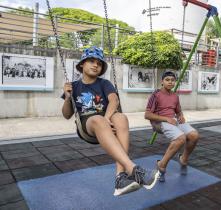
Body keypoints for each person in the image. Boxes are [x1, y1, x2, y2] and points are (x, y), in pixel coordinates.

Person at [62, 46, 158, 196]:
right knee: (98, 119)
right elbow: (66, 115)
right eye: (91, 61)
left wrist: (107, 118)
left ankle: (120, 178)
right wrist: (68, 97)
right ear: (82, 64)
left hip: (107, 117)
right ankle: (132, 169)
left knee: (120, 117)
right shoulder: (73, 86)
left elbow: (114, 101)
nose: (95, 65)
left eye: (99, 63)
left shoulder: (104, 83)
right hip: (88, 123)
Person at [145, 71, 199, 182]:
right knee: (180, 138)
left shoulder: (175, 96)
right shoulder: (156, 95)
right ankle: (161, 165)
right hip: (159, 122)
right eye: (167, 80)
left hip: (172, 120)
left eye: (172, 80)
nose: (170, 82)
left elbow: (178, 111)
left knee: (194, 135)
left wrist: (181, 115)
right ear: (162, 82)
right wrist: (166, 119)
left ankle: (183, 159)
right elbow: (147, 115)